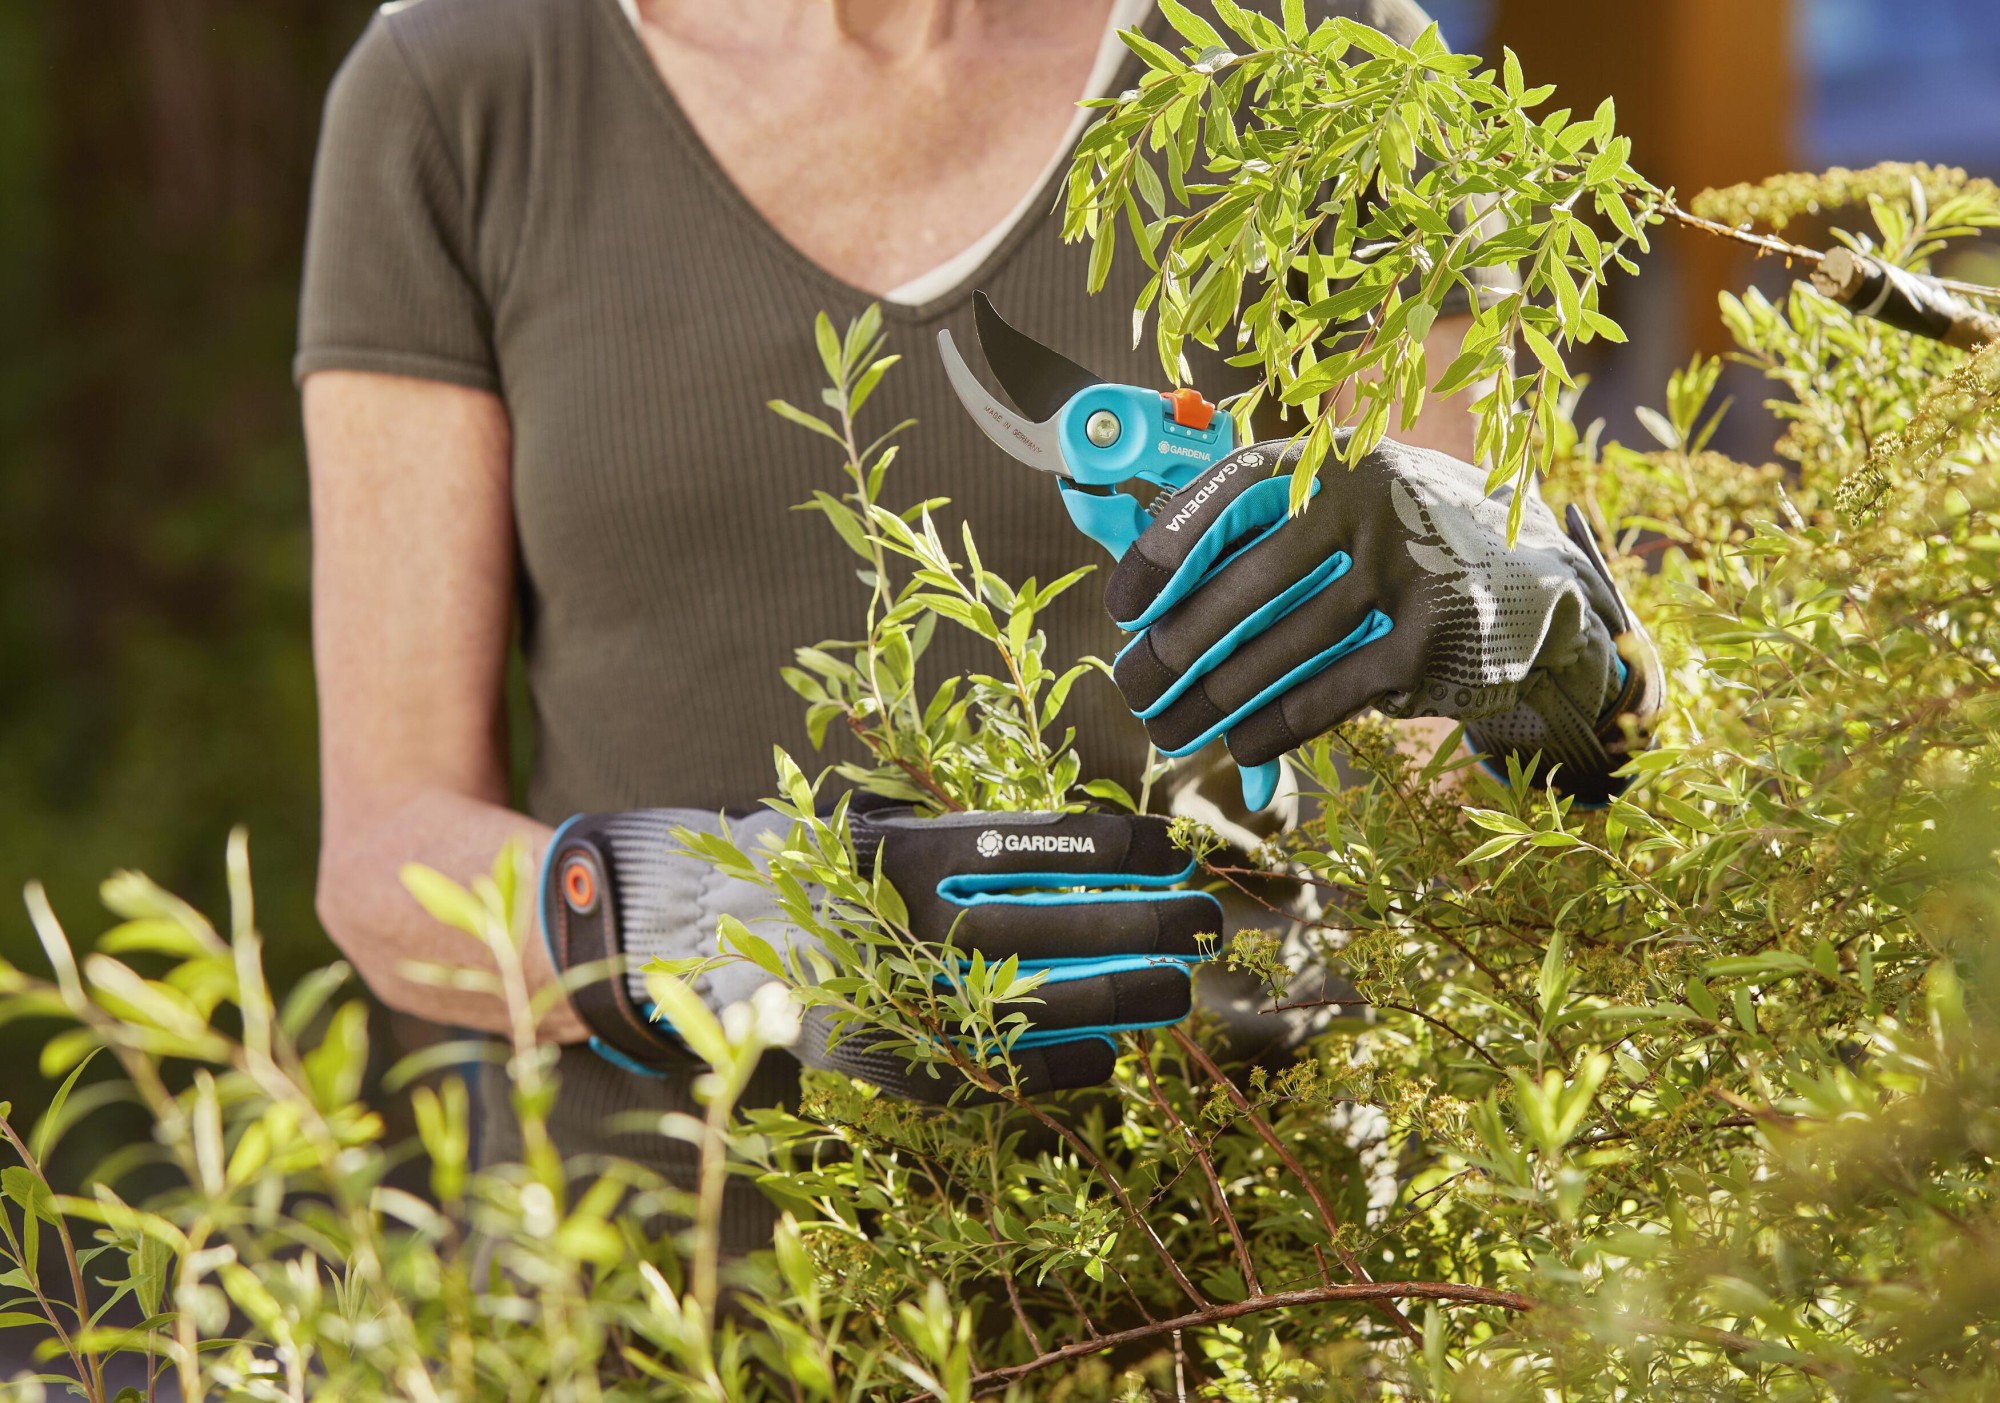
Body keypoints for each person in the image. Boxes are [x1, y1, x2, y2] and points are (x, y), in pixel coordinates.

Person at [299, 0, 1635, 1254]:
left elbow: (1481, 789)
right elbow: (388, 854)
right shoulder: (466, 86)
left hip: (1261, 1276)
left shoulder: (1313, 57)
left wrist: (1527, 642)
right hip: (670, 1309)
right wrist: (771, 923)